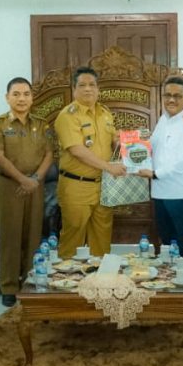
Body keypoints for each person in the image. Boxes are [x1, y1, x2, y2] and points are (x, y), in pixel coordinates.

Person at [0, 77, 54, 306]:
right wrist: (22, 179)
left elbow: (48, 154)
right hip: (9, 186)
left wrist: (35, 179)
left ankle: (30, 281)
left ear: (32, 97)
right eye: (16, 94)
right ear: (7, 97)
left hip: (35, 185)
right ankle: (8, 286)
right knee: (10, 236)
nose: (22, 98)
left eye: (26, 94)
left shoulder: (42, 124)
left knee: (34, 235)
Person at [54, 67, 125, 258]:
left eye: (92, 85)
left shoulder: (105, 113)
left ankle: (99, 283)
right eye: (82, 85)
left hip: (103, 186)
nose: (88, 89)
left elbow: (114, 142)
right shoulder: (68, 115)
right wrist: (110, 167)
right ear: (74, 89)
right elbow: (77, 150)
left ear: (98, 88)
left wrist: (131, 144)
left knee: (102, 238)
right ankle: (67, 284)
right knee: (73, 238)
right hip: (76, 186)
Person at [137, 76, 183, 248]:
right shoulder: (164, 119)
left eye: (177, 95)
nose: (171, 99)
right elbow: (152, 145)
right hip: (160, 191)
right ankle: (172, 275)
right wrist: (128, 145)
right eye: (167, 95)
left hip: (179, 192)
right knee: (167, 240)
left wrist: (154, 174)